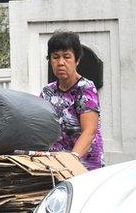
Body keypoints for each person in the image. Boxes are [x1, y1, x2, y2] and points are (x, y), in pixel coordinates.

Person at [40, 32, 104, 170]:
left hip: (84, 167)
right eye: (55, 57)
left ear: (77, 60)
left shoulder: (86, 89)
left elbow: (89, 131)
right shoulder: (47, 92)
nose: (61, 62)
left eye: (67, 57)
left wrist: (71, 161)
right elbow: (39, 128)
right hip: (55, 167)